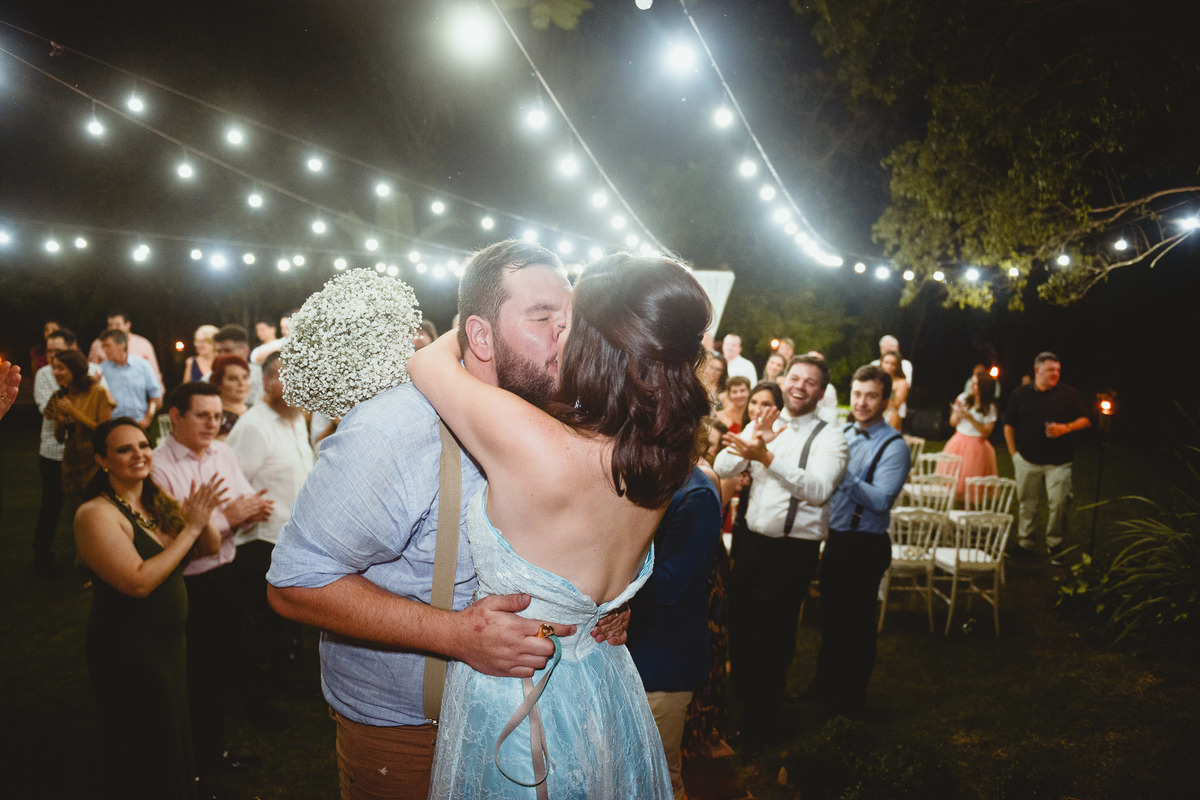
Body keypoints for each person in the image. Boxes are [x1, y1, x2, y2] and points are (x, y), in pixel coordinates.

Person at [267, 241, 627, 800]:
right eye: (542, 318)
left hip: (537, 717)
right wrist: (455, 635)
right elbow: (295, 583)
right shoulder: (396, 429)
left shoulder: (563, 419)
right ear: (479, 336)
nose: (566, 335)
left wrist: (601, 603)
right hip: (414, 733)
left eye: (571, 319)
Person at [407, 251, 710, 798]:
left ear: (592, 344)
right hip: (607, 683)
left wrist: (477, 324)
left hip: (522, 695)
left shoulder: (534, 441)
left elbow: (426, 364)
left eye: (568, 323)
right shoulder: (668, 456)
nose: (557, 334)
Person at [75, 417, 223, 799]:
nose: (139, 454)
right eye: (124, 449)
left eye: (143, 445)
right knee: (144, 740)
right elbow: (138, 582)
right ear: (101, 460)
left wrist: (201, 518)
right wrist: (191, 528)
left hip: (169, 646)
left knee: (172, 732)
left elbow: (208, 548)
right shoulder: (96, 514)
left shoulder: (154, 500)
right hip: (129, 648)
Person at [714, 356, 849, 743]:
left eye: (810, 382)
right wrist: (753, 441)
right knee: (741, 627)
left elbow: (819, 490)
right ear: (784, 381)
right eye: (795, 378)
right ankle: (745, 704)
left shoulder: (831, 437)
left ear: (821, 392)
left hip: (793, 550)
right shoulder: (766, 422)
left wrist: (767, 458)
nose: (800, 386)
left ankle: (762, 720)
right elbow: (722, 466)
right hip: (751, 543)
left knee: (773, 635)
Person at [151, 382, 273, 774]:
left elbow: (244, 503)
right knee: (195, 673)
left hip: (226, 574)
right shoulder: (158, 466)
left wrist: (241, 515)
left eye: (218, 416)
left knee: (220, 665)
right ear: (176, 416)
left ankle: (211, 749)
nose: (212, 424)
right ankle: (196, 761)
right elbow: (173, 539)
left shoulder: (222, 452)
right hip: (187, 584)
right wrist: (227, 519)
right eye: (202, 415)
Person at [811, 364, 910, 715]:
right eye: (857, 394)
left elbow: (881, 500)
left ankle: (851, 699)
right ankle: (824, 688)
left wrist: (843, 475)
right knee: (831, 618)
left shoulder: (894, 446)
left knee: (858, 624)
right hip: (837, 540)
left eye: (871, 396)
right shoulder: (842, 434)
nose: (862, 402)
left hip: (865, 545)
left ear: (885, 400)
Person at [225, 351, 316, 724]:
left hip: (293, 538)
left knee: (286, 619)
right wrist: (243, 507)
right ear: (265, 381)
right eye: (284, 376)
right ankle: (255, 699)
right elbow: (229, 477)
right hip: (262, 540)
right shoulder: (253, 426)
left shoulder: (293, 419)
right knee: (261, 623)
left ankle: (282, 679)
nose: (294, 384)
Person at [627, 466, 723, 800]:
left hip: (663, 662)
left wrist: (610, 545)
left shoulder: (696, 495)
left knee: (660, 777)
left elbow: (667, 586)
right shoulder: (654, 478)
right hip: (635, 649)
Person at [1003, 352, 1090, 559]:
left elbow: (1085, 420)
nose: (1055, 374)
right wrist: (1014, 454)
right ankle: (1025, 544)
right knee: (1027, 505)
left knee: (1059, 504)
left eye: (1058, 370)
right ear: (1037, 370)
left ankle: (1055, 544)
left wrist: (1065, 428)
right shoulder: (1019, 394)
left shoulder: (1069, 394)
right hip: (1027, 460)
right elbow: (1009, 425)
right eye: (1050, 369)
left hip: (1059, 462)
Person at [32, 329, 76, 575]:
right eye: (49, 351)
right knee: (51, 504)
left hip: (83, 452)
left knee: (87, 505)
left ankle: (90, 556)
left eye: (58, 351)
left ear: (72, 348)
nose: (52, 356)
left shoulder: (91, 372)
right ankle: (42, 557)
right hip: (52, 451)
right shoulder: (43, 374)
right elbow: (47, 410)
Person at [46, 350, 117, 501]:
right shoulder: (60, 396)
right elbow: (59, 438)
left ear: (75, 369)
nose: (55, 372)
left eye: (60, 368)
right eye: (54, 368)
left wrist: (73, 412)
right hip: (73, 467)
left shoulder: (98, 392)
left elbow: (105, 431)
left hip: (96, 465)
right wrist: (60, 420)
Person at [945, 371, 999, 502]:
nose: (971, 385)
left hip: (977, 447)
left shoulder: (990, 407)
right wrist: (958, 414)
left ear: (983, 388)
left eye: (975, 384)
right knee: (955, 485)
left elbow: (986, 432)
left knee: (972, 489)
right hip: (958, 442)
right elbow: (952, 423)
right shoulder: (963, 398)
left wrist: (970, 418)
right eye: (972, 382)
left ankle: (969, 511)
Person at [87, 312, 165, 395]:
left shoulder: (143, 344)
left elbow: (154, 374)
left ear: (127, 325)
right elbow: (91, 371)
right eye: (110, 325)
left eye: (117, 325)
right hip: (108, 395)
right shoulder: (98, 345)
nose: (113, 329)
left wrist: (158, 394)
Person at [98, 329, 162, 430]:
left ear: (121, 346)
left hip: (139, 423)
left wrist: (148, 418)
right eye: (103, 346)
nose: (105, 350)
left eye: (108, 346)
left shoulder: (143, 365)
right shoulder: (101, 369)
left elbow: (155, 395)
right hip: (113, 425)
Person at [213, 325, 263, 407]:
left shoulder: (261, 377)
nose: (221, 356)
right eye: (218, 351)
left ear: (245, 351)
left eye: (227, 351)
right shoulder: (207, 379)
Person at [209, 354, 252, 439]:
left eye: (245, 377)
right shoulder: (213, 417)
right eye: (233, 379)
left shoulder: (255, 410)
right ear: (218, 383)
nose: (241, 383)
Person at [807, 350, 840, 424]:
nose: (812, 362)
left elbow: (832, 415)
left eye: (816, 360)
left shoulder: (828, 389)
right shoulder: (798, 385)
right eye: (809, 359)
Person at [880, 351, 909, 431]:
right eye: (886, 363)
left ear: (897, 366)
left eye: (893, 364)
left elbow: (895, 405)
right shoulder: (875, 379)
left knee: (894, 415)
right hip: (873, 413)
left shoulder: (902, 383)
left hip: (890, 414)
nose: (889, 366)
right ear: (881, 363)